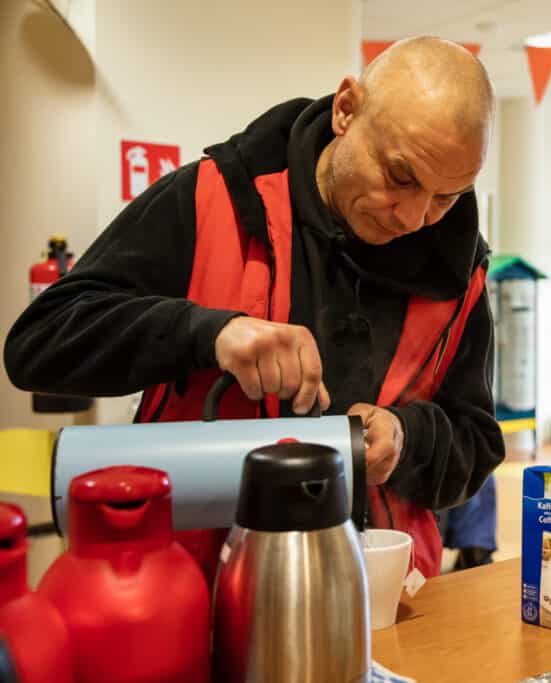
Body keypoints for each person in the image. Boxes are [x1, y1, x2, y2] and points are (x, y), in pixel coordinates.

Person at [4, 37, 505, 579]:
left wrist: (409, 439)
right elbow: (40, 345)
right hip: (195, 593)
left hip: (382, 601)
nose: (413, 216)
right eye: (400, 177)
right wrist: (208, 333)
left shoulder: (459, 272)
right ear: (346, 110)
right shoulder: (212, 199)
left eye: (446, 196)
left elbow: (476, 443)